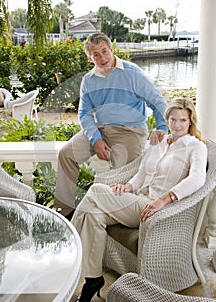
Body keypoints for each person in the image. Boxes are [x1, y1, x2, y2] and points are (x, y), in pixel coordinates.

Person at [67, 97, 208, 302]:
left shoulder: (195, 146)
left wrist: (165, 199)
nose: (177, 124)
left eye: (182, 120)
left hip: (155, 208)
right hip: (138, 199)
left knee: (95, 190)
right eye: (173, 119)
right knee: (92, 215)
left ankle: (69, 251)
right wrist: (128, 188)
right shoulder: (160, 141)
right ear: (166, 119)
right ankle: (92, 280)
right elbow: (142, 173)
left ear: (190, 122)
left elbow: (197, 179)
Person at [54, 32, 168, 218]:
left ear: (112, 50)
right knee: (66, 154)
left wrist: (162, 128)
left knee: (125, 174)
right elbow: (84, 113)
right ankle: (65, 212)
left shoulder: (132, 73)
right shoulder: (89, 81)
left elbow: (157, 102)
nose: (102, 58)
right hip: (101, 130)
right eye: (96, 54)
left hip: (130, 132)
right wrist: (96, 139)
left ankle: (115, 216)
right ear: (89, 58)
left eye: (104, 51)